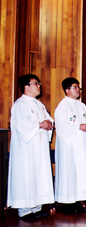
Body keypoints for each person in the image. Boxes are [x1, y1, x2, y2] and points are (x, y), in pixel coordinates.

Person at [7, 74, 54, 221]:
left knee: (38, 175)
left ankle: (36, 208)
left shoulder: (39, 105)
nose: (39, 86)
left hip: (39, 149)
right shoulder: (20, 105)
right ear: (26, 86)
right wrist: (40, 125)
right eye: (35, 83)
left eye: (39, 83)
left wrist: (49, 124)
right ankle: (25, 210)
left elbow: (48, 120)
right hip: (26, 150)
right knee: (26, 176)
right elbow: (23, 126)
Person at [54, 77, 86, 214]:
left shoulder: (81, 105)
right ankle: (67, 204)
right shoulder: (62, 107)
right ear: (67, 90)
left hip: (81, 144)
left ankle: (78, 201)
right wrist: (78, 127)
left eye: (78, 87)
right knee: (69, 173)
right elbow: (61, 126)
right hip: (68, 146)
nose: (78, 90)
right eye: (75, 87)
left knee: (81, 173)